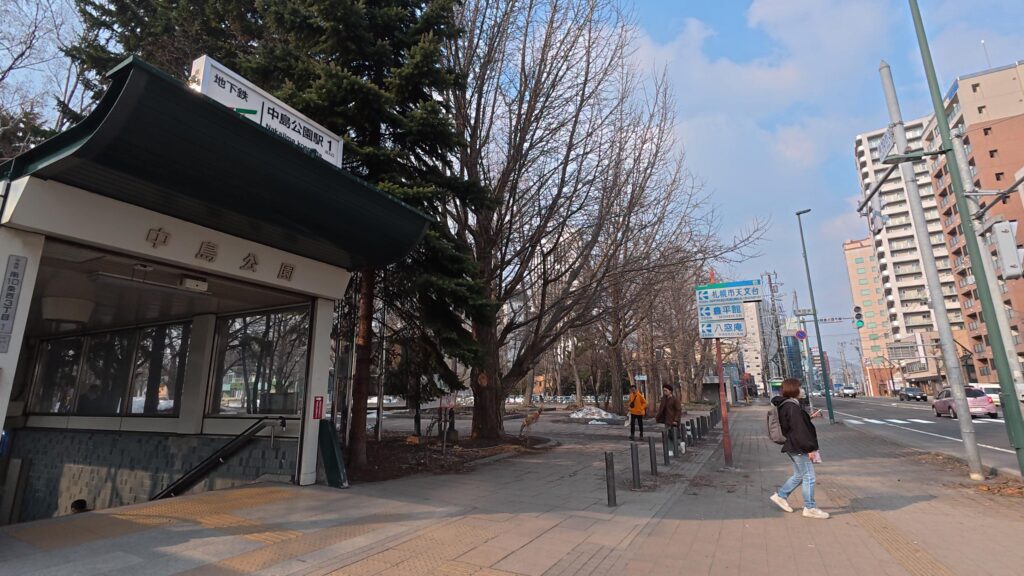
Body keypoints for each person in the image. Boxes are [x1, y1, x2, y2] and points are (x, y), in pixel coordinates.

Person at [769, 378, 829, 519]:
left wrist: (807, 418)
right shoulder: (792, 407)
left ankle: (781, 496)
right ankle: (810, 507)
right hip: (798, 446)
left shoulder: (786, 405)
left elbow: (794, 425)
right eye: (800, 387)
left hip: (792, 445)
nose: (802, 390)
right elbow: (799, 431)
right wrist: (810, 449)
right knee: (809, 477)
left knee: (799, 475)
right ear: (793, 389)